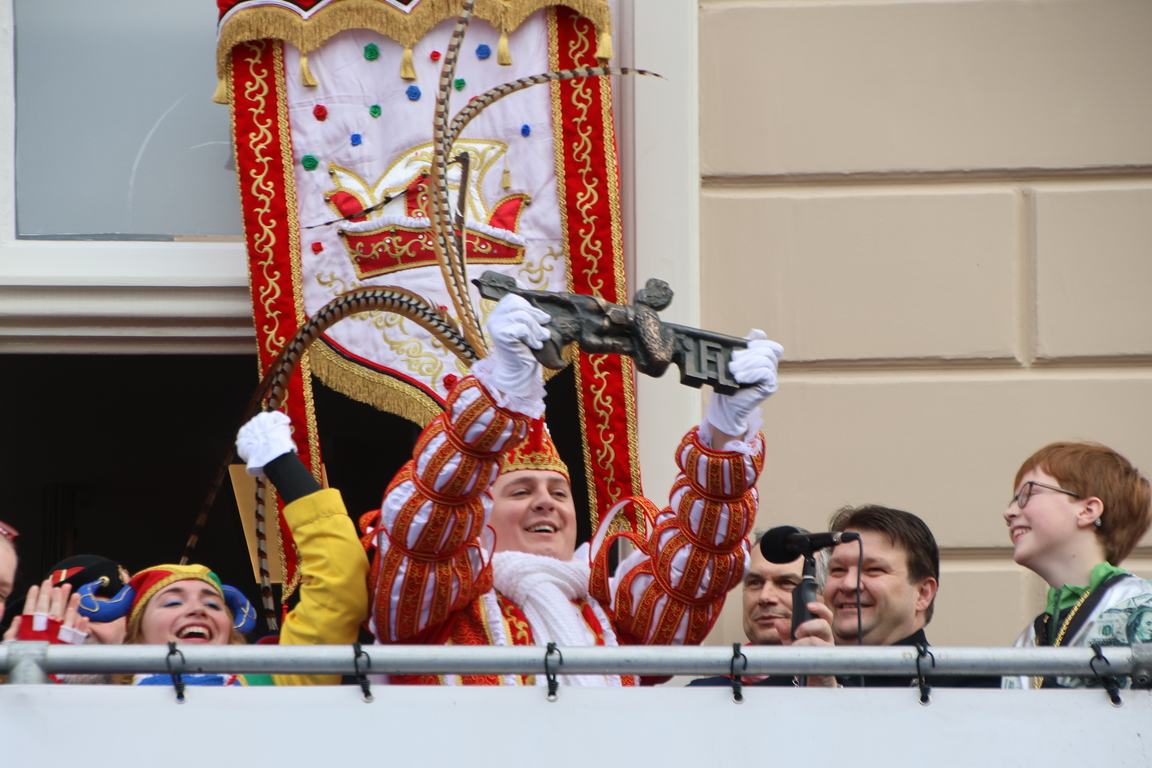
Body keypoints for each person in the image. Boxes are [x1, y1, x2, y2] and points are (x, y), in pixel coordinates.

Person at [361, 294, 783, 686]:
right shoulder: (436, 611)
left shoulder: (611, 617)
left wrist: (725, 433)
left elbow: (694, 569)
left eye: (559, 493)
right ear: (478, 516)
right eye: (521, 491)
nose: (545, 502)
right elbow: (429, 520)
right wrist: (496, 398)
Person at [75, 411, 369, 687]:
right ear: (135, 638)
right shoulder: (101, 703)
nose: (197, 610)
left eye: (214, 605)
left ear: (230, 633)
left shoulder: (275, 683)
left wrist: (281, 464)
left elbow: (339, 585)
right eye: (173, 603)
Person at [1002, 442, 1152, 689]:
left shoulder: (1140, 605)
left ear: (1088, 510)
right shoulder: (1029, 638)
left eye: (1028, 494)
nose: (1008, 512)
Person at [825, 505, 998, 687]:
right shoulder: (797, 676)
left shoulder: (968, 686)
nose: (848, 584)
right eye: (838, 570)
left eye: (874, 570)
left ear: (923, 594)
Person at [688, 529, 833, 687]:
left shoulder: (855, 682)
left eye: (786, 583)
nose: (765, 597)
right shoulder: (702, 694)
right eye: (755, 582)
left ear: (824, 598)